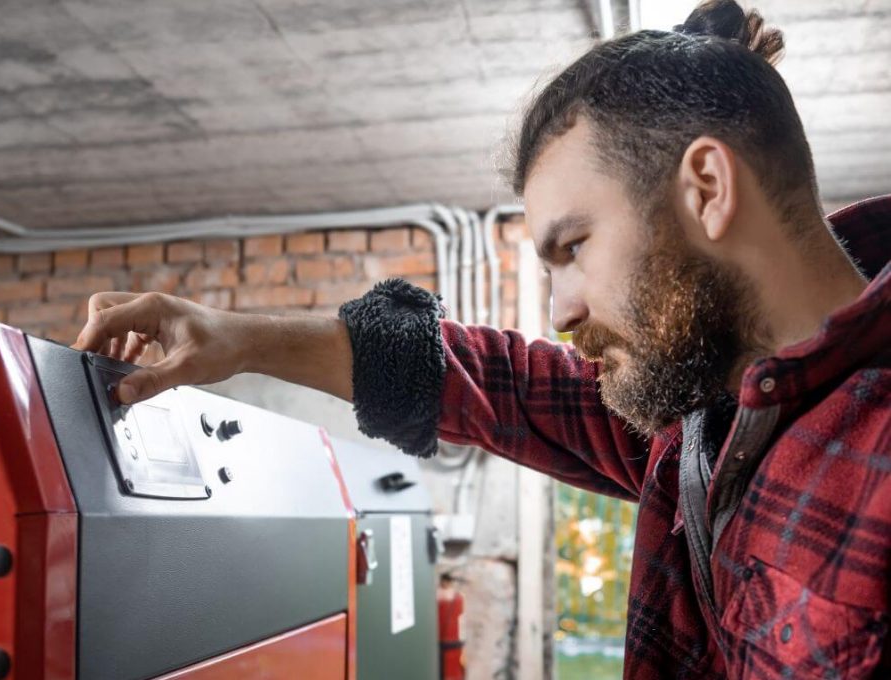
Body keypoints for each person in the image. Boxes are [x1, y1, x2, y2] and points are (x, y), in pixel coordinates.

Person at [73, 1, 890, 676]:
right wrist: (238, 338)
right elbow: (495, 383)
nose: (562, 311)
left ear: (707, 190)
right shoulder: (701, 417)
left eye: (573, 248)